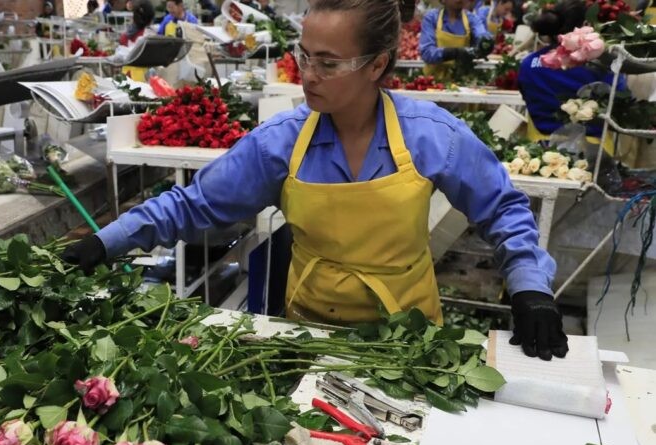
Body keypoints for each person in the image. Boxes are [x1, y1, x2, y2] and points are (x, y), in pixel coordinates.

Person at [63, 0, 568, 361]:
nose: (307, 75)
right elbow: (194, 206)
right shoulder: (280, 143)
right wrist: (106, 243)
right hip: (306, 339)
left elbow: (502, 208)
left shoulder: (432, 137)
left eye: (327, 63)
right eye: (305, 56)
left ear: (377, 65)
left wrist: (530, 288)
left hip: (409, 340)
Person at [518, 0, 626, 142]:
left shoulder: (528, 64)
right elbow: (621, 102)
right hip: (593, 152)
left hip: (539, 153)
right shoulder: (602, 65)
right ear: (584, 26)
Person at [418, 0, 492, 80]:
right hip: (432, 82)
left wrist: (486, 42)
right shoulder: (432, 18)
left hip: (462, 81)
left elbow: (481, 34)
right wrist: (452, 52)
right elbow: (426, 52)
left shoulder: (472, 19)